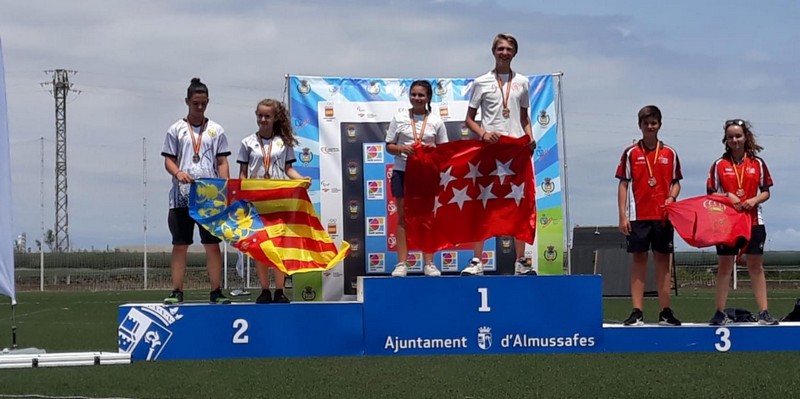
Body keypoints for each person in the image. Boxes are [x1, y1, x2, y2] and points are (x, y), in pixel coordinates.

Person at [461, 33, 537, 276]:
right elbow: (469, 119)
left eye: (509, 49)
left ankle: (520, 261)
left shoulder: (523, 82)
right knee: (483, 203)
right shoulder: (481, 82)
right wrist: (483, 134)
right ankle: (476, 261)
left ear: (515, 53)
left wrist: (530, 137)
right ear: (493, 51)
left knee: (518, 204)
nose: (504, 53)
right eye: (500, 48)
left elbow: (524, 118)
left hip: (515, 149)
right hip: (490, 149)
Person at [162, 78, 231, 304]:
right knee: (180, 244)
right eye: (195, 103)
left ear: (208, 102)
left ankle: (216, 291)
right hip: (182, 197)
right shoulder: (176, 130)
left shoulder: (216, 130)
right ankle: (177, 291)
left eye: (203, 104)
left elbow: (222, 161)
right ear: (187, 101)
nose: (199, 108)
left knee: (212, 244)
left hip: (209, 196)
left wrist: (225, 186)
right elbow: (168, 161)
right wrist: (178, 172)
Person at [706, 119, 778, 325]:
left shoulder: (758, 163)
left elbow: (766, 192)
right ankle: (719, 312)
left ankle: (764, 312)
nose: (734, 140)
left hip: (753, 220)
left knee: (756, 266)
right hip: (726, 222)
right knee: (725, 267)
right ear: (725, 140)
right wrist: (729, 195)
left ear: (745, 137)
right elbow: (711, 193)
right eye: (730, 137)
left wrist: (754, 200)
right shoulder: (719, 165)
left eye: (738, 136)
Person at [615, 105, 681, 326]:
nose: (650, 127)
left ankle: (665, 311)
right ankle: (637, 311)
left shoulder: (670, 153)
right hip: (638, 216)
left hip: (663, 216)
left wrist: (671, 198)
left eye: (654, 123)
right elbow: (623, 185)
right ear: (640, 125)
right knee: (639, 261)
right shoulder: (630, 153)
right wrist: (622, 216)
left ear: (659, 125)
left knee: (663, 263)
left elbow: (676, 183)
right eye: (646, 123)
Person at [237, 99, 307, 303]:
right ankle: (264, 290)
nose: (263, 119)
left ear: (275, 118)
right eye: (260, 115)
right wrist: (241, 197)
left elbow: (288, 170)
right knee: (260, 247)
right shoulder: (247, 143)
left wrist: (301, 180)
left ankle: (280, 290)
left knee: (278, 246)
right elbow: (242, 174)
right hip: (256, 201)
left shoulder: (283, 142)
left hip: (278, 200)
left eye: (267, 116)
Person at [386, 80, 449, 277]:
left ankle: (429, 263)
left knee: (426, 217)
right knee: (403, 216)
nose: (417, 98)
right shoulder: (399, 118)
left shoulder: (436, 122)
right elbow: (389, 145)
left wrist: (432, 151)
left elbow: (444, 151)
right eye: (413, 94)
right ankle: (402, 264)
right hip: (403, 171)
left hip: (426, 174)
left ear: (428, 97)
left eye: (421, 95)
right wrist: (401, 149)